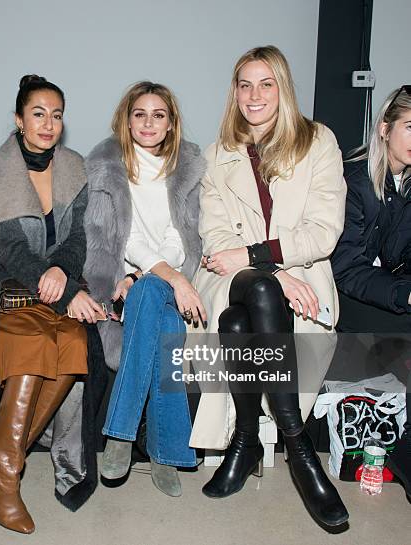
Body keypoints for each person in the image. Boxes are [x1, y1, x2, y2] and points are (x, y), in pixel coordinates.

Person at [191, 45, 349, 528]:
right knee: (257, 292)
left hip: (299, 277)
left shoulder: (318, 142)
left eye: (266, 83)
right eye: (244, 84)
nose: (254, 95)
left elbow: (324, 231)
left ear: (283, 88)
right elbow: (217, 237)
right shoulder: (217, 155)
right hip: (229, 276)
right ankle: (300, 449)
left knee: (243, 318)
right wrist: (271, 271)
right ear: (234, 92)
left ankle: (245, 441)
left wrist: (265, 262)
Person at [0, 75, 104, 535]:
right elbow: (12, 250)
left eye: (56, 115)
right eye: (38, 113)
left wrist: (64, 276)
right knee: (31, 353)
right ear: (18, 119)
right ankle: (7, 482)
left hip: (62, 283)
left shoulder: (74, 166)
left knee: (73, 349)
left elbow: (76, 238)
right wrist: (64, 288)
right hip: (13, 286)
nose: (48, 123)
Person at [83, 81, 206, 496]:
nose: (148, 122)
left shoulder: (185, 168)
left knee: (151, 293)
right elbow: (125, 237)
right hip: (128, 280)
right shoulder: (107, 166)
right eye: (140, 114)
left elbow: (179, 235)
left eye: (159, 115)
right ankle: (165, 451)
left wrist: (155, 275)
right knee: (164, 324)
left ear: (171, 124)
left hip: (157, 278)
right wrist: (159, 278)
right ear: (126, 119)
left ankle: (119, 433)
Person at [331, 85, 411, 501]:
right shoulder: (356, 180)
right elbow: (346, 269)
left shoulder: (409, 181)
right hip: (346, 297)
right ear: (384, 128)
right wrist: (405, 295)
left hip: (384, 290)